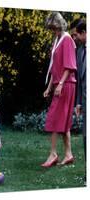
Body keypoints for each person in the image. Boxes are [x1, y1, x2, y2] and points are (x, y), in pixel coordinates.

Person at [41, 12, 77, 167]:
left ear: (60, 25)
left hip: (66, 84)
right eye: (51, 29)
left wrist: (60, 84)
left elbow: (69, 66)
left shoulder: (67, 39)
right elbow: (54, 67)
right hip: (58, 84)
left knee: (54, 119)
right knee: (63, 121)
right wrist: (50, 86)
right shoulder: (57, 39)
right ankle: (68, 154)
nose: (53, 32)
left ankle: (53, 154)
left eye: (54, 28)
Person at [74, 21, 86, 161]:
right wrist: (78, 103)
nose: (74, 38)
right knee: (86, 138)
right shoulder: (80, 50)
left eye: (76, 34)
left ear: (84, 32)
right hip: (84, 100)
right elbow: (79, 79)